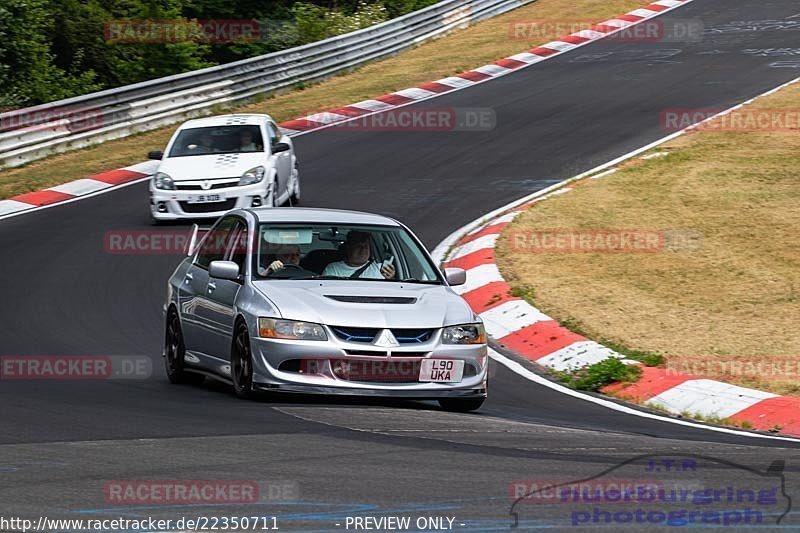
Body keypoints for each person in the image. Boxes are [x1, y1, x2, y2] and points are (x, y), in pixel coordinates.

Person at [323, 231, 395, 280]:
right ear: (348, 248)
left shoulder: (381, 268)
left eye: (366, 246)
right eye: (359, 246)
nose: (363, 250)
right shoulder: (333, 269)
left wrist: (391, 278)